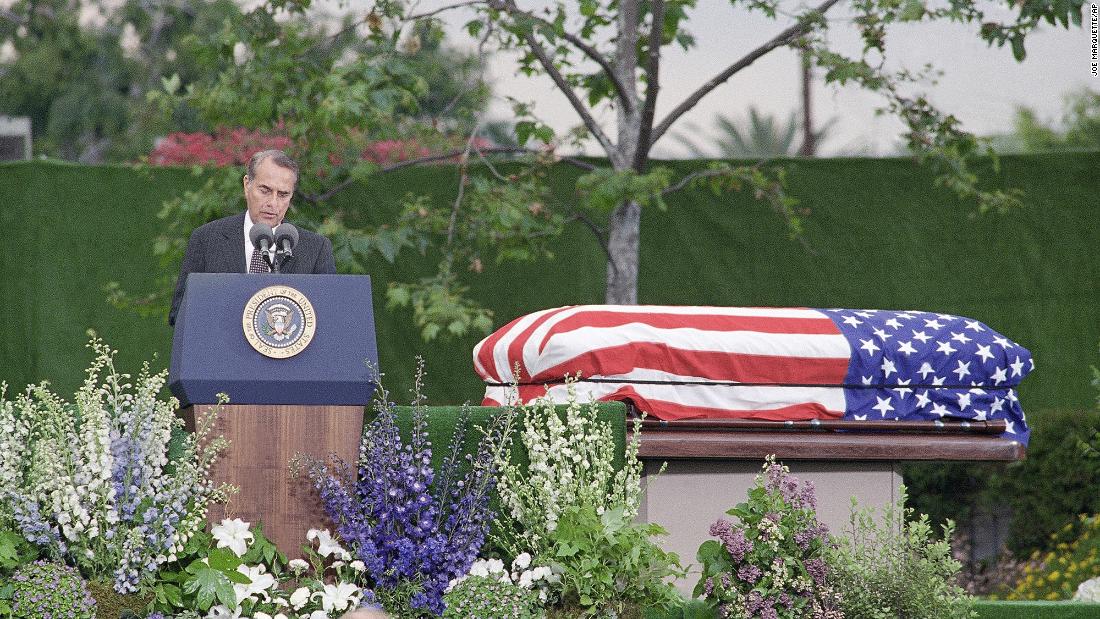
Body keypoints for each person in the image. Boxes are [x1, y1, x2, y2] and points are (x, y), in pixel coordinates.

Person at [169, 149, 337, 325]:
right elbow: (179, 314)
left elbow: (330, 319)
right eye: (265, 190)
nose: (273, 203)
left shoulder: (316, 248)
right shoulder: (207, 239)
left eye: (283, 194)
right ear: (247, 185)